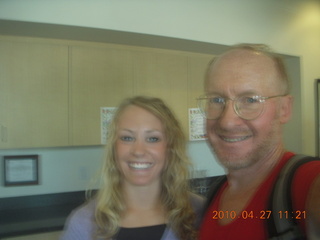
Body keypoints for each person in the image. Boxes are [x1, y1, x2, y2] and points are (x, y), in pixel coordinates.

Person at [197, 44, 320, 239]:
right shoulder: (215, 195)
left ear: (284, 109)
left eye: (250, 100)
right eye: (217, 100)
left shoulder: (306, 185)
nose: (227, 121)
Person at [60, 96, 204, 240]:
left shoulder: (201, 211)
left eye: (153, 138)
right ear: (114, 148)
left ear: (171, 148)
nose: (138, 151)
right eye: (127, 138)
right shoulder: (83, 223)